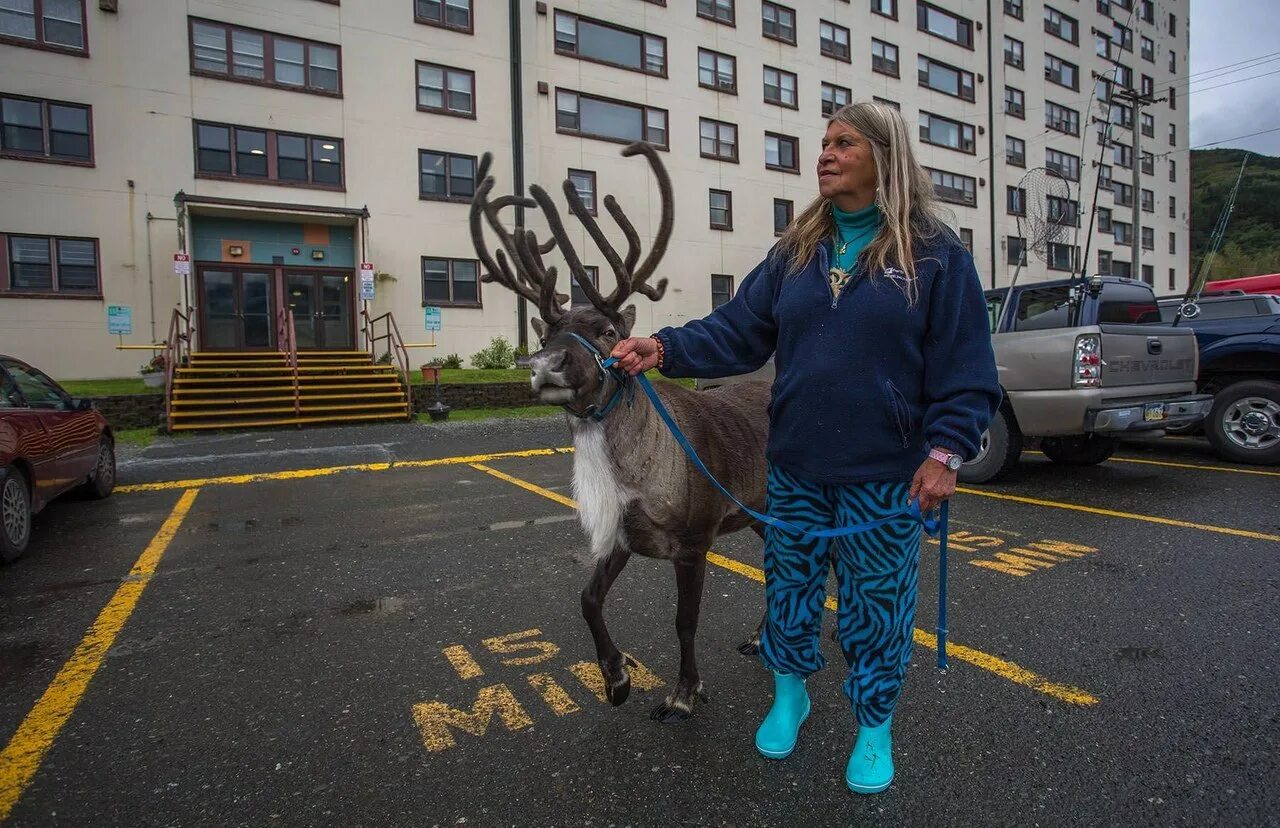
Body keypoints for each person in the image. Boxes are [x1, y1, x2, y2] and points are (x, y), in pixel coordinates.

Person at [610, 101, 1001, 794]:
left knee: (875, 608)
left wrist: (945, 454)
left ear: (884, 155)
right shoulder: (796, 253)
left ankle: (873, 728)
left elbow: (966, 371)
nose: (825, 154)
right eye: (823, 143)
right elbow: (739, 330)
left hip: (885, 476)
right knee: (788, 595)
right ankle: (789, 695)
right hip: (793, 468)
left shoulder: (934, 255)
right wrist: (664, 346)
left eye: (843, 143)